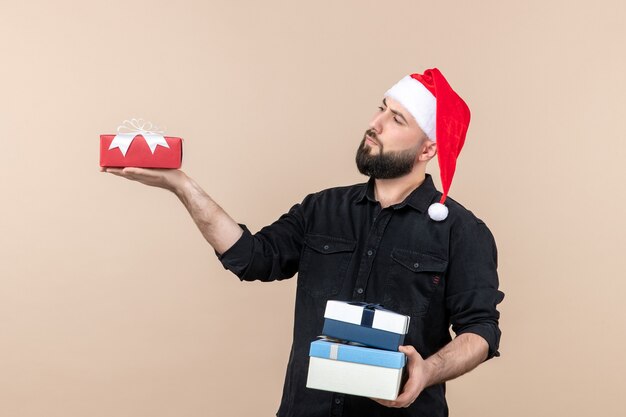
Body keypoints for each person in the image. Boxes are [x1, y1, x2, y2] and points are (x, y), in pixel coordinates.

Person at [102, 68, 504, 417]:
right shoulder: (321, 208)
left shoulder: (462, 231)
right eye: (381, 107)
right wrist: (181, 185)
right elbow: (251, 258)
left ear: (428, 148)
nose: (374, 124)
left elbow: (481, 331)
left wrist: (429, 371)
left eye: (396, 118)